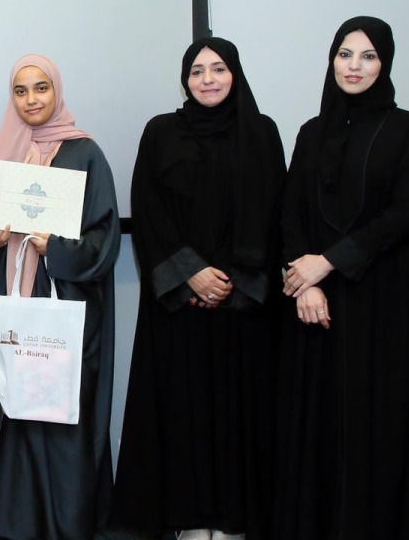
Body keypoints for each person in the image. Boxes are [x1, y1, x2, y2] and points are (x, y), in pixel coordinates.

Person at [271, 16, 409, 539]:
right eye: (344, 55)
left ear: (386, 63)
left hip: (393, 307)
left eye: (368, 56)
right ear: (331, 61)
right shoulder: (311, 134)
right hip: (320, 310)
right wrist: (305, 282)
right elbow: (289, 214)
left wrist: (326, 262)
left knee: (382, 432)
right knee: (323, 432)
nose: (354, 66)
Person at [110, 38, 284, 540]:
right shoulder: (162, 131)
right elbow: (149, 209)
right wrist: (192, 274)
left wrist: (231, 282)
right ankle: (188, 521)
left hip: (243, 306)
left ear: (236, 74)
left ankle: (233, 522)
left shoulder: (262, 132)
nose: (207, 79)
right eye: (197, 71)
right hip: (180, 306)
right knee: (183, 413)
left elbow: (275, 214)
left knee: (239, 413)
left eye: (218, 69)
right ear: (185, 79)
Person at [0, 54, 120, 540]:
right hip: (13, 297)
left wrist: (51, 245)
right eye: (20, 91)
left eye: (40, 89)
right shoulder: (4, 154)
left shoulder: (85, 154)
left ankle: (68, 525)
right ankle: (16, 525)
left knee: (60, 417)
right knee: (13, 413)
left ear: (57, 92)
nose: (31, 100)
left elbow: (104, 240)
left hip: (65, 307)